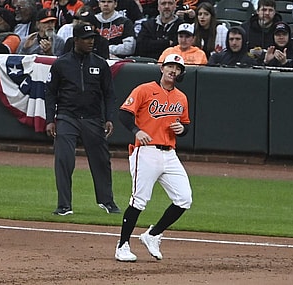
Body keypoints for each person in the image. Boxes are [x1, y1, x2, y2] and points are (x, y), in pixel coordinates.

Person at [114, 53, 193, 262]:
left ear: (181, 73)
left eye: (177, 68)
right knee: (139, 200)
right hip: (146, 151)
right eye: (170, 66)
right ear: (162, 68)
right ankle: (122, 246)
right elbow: (124, 113)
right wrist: (136, 130)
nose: (173, 71)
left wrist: (182, 129)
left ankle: (153, 234)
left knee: (184, 199)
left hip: (169, 154)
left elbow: (185, 126)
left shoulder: (181, 97)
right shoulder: (144, 89)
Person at [45, 23, 120, 216]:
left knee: (102, 160)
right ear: (76, 40)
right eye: (87, 38)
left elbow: (110, 94)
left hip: (93, 118)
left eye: (93, 38)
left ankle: (107, 201)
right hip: (67, 116)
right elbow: (51, 93)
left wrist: (109, 118)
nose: (91, 42)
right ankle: (64, 205)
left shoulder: (100, 63)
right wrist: (50, 120)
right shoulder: (61, 63)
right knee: (64, 159)